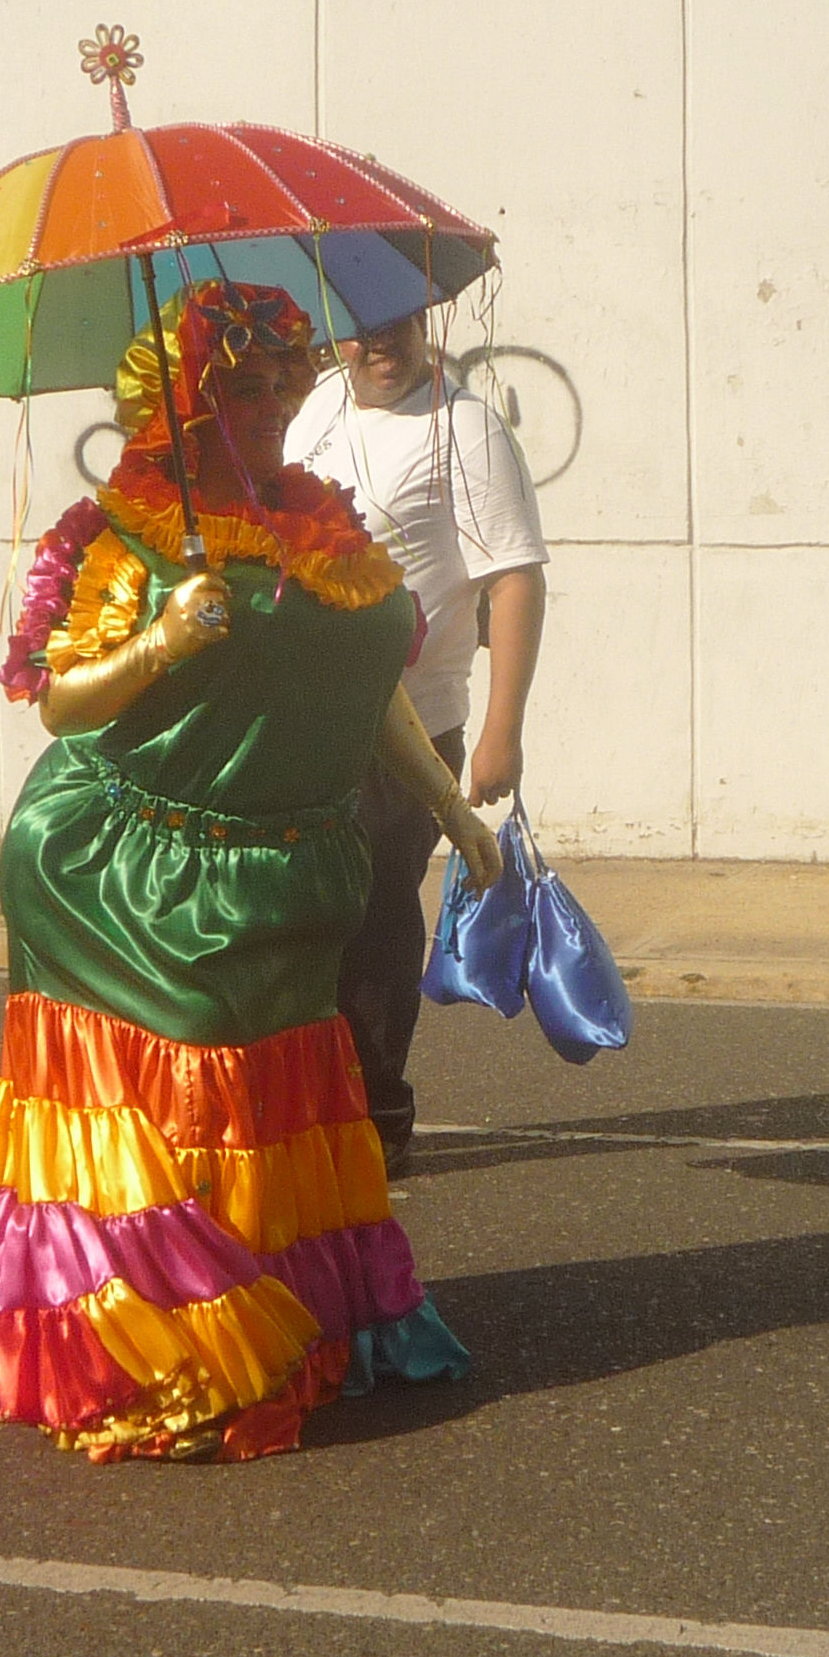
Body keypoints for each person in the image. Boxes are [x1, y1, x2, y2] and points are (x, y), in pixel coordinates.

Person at [0, 280, 501, 1462]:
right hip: (126, 874)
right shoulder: (115, 533)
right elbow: (57, 701)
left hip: (286, 869)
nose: (277, 404)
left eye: (288, 379)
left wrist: (449, 801)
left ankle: (280, 1310)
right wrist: (159, 640)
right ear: (182, 403)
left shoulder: (315, 516)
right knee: (175, 1103)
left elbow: (367, 682)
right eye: (245, 385)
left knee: (269, 1097)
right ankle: (156, 1344)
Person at [284, 311, 548, 1175]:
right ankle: (313, 1110)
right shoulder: (316, 406)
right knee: (307, 917)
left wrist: (498, 731)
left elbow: (512, 577)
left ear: (426, 320)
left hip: (413, 721)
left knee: (374, 916)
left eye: (397, 326)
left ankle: (378, 1115)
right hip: (306, 714)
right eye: (360, 332)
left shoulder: (463, 425)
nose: (379, 347)